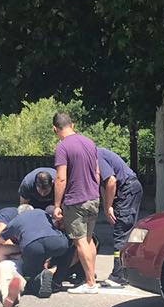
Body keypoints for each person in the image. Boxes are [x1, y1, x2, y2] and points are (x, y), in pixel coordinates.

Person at [50, 111, 102, 293]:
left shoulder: (63, 148)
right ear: (73, 125)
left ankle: (90, 283)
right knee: (88, 241)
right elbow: (97, 172)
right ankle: (91, 278)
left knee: (80, 242)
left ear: (55, 129)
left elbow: (61, 178)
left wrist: (57, 205)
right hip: (93, 197)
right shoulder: (89, 142)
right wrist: (94, 191)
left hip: (76, 200)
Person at [1, 203, 71, 307]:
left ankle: (38, 281)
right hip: (54, 240)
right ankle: (57, 280)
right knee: (66, 248)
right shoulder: (41, 212)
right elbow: (55, 224)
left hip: (32, 246)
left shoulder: (16, 220)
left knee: (30, 274)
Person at [97, 145, 142, 287]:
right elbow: (104, 187)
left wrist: (109, 206)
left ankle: (119, 275)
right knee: (124, 231)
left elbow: (111, 181)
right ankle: (126, 271)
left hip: (127, 190)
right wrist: (106, 207)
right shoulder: (99, 154)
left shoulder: (96, 156)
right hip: (129, 189)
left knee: (121, 232)